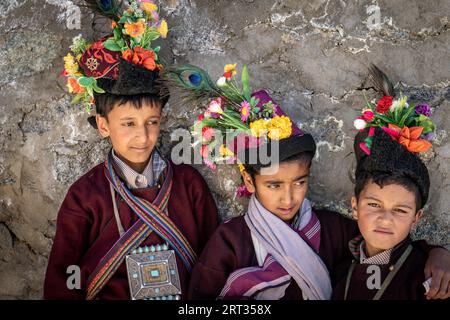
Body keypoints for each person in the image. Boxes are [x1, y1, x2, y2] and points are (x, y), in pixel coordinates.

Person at [164, 63, 450, 300]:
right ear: (249, 181)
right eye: (274, 185)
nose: (289, 198)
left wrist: (436, 253)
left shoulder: (331, 230)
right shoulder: (231, 241)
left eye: (299, 182)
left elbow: (384, 241)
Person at [44, 0, 218, 300]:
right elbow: (64, 278)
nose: (142, 135)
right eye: (128, 123)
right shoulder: (84, 197)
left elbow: (215, 262)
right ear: (103, 125)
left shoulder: (189, 185)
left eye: (151, 121)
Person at [332, 67, 450, 300]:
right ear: (354, 206)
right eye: (374, 205)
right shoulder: (339, 268)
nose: (385, 219)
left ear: (417, 217)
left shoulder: (431, 281)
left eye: (400, 210)